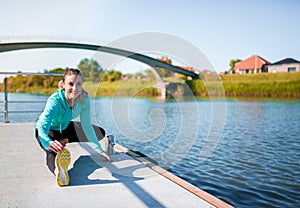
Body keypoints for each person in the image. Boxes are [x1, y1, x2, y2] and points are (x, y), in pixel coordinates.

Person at [35, 68, 112, 186]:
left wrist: (99, 150)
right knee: (52, 151)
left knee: (100, 132)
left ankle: (64, 140)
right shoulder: (55, 100)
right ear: (63, 85)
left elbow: (86, 125)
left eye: (78, 84)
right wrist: (47, 141)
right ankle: (58, 172)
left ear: (82, 85)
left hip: (64, 128)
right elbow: (43, 125)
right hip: (47, 131)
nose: (75, 88)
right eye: (71, 84)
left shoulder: (84, 99)